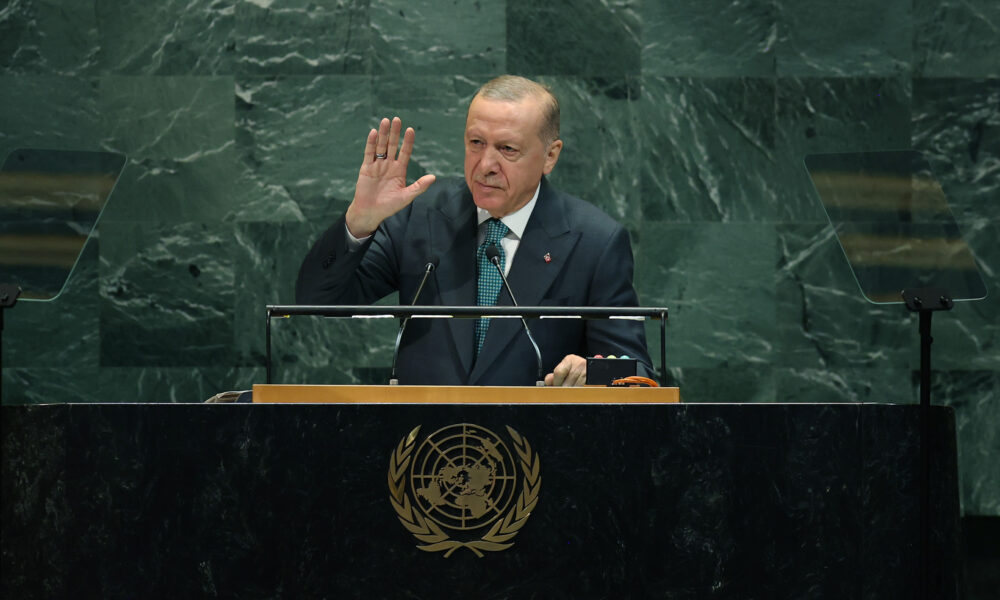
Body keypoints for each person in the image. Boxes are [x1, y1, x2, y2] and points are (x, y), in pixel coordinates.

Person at [296, 75, 651, 386]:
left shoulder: (595, 242)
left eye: (507, 149)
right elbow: (318, 301)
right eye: (476, 143)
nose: (485, 165)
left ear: (550, 156)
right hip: (424, 439)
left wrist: (593, 372)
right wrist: (359, 222)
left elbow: (637, 374)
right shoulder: (420, 217)